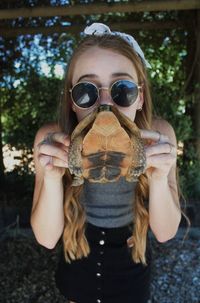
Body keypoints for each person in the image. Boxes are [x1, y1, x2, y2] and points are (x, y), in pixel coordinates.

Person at [31, 23, 182, 303]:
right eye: (86, 91)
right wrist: (52, 178)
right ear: (72, 100)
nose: (105, 104)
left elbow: (165, 232)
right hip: (77, 256)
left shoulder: (159, 136)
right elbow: (47, 238)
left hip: (133, 260)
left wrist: (160, 178)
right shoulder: (51, 141)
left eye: (122, 89)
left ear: (140, 98)